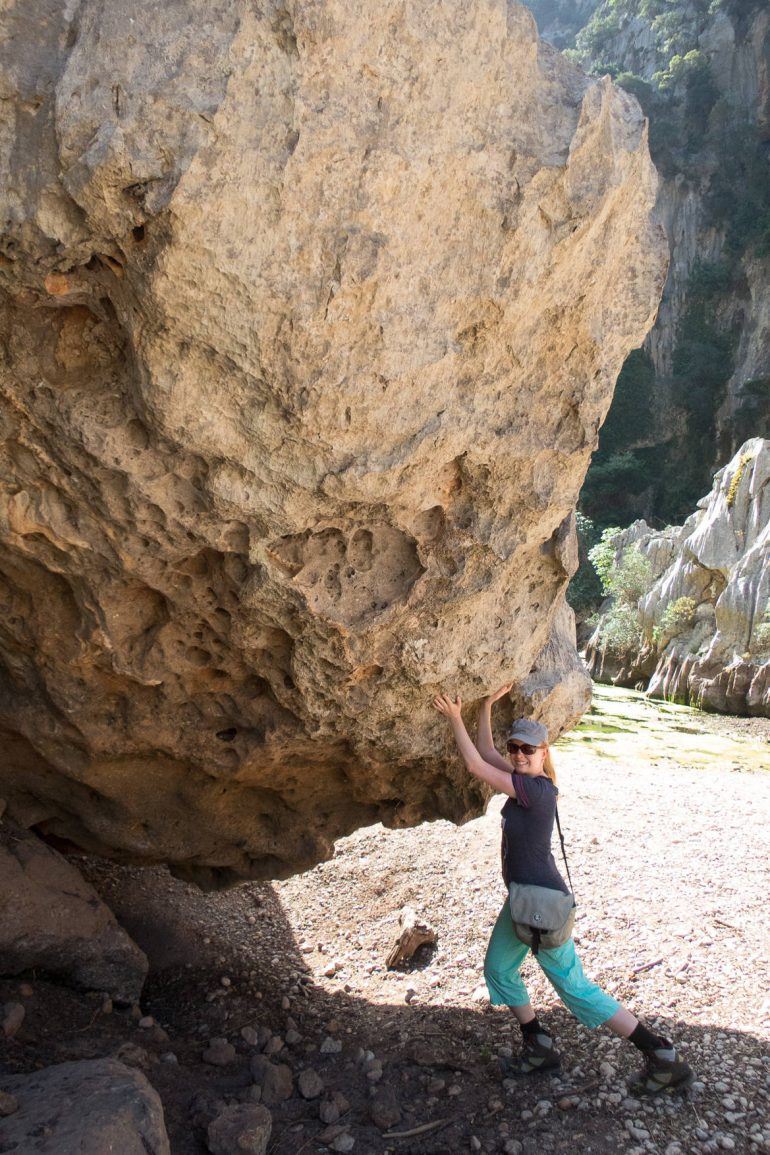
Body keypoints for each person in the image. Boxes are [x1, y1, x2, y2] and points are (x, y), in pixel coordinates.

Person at [432, 684, 694, 1094]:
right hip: (521, 901)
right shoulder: (523, 779)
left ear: (544, 752)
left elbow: (474, 766)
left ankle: (661, 1055)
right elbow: (486, 753)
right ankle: (538, 1043)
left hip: (543, 905)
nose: (519, 754)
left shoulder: (535, 791)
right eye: (514, 747)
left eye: (528, 749)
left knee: (575, 989)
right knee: (498, 968)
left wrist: (452, 718)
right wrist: (484, 706)